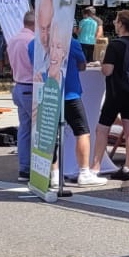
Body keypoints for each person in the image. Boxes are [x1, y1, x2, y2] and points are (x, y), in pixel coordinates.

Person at [30, 25, 103, 187]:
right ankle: (84, 172)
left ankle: (53, 173)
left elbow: (34, 66)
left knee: (50, 134)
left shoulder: (33, 44)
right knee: (82, 131)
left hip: (47, 94)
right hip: (70, 94)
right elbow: (82, 65)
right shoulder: (72, 43)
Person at [94, 9, 129, 181]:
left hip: (116, 92)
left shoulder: (115, 45)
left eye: (116, 21)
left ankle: (94, 168)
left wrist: (102, 63)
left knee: (102, 128)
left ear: (122, 24)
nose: (114, 24)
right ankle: (128, 167)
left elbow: (107, 71)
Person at [6, 10, 36, 181]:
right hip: (31, 86)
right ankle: (40, 167)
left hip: (18, 85)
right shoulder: (32, 41)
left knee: (24, 129)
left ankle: (24, 168)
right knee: (39, 128)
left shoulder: (13, 39)